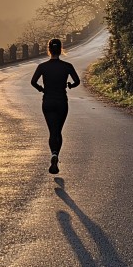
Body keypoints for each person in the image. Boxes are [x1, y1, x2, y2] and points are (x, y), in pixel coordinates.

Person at [31, 38, 80, 174]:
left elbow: (33, 82)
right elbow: (77, 81)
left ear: (49, 50)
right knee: (58, 130)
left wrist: (42, 89)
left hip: (47, 101)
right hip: (61, 102)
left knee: (52, 130)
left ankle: (53, 154)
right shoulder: (67, 66)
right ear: (60, 49)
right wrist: (70, 85)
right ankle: (55, 155)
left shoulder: (42, 67)